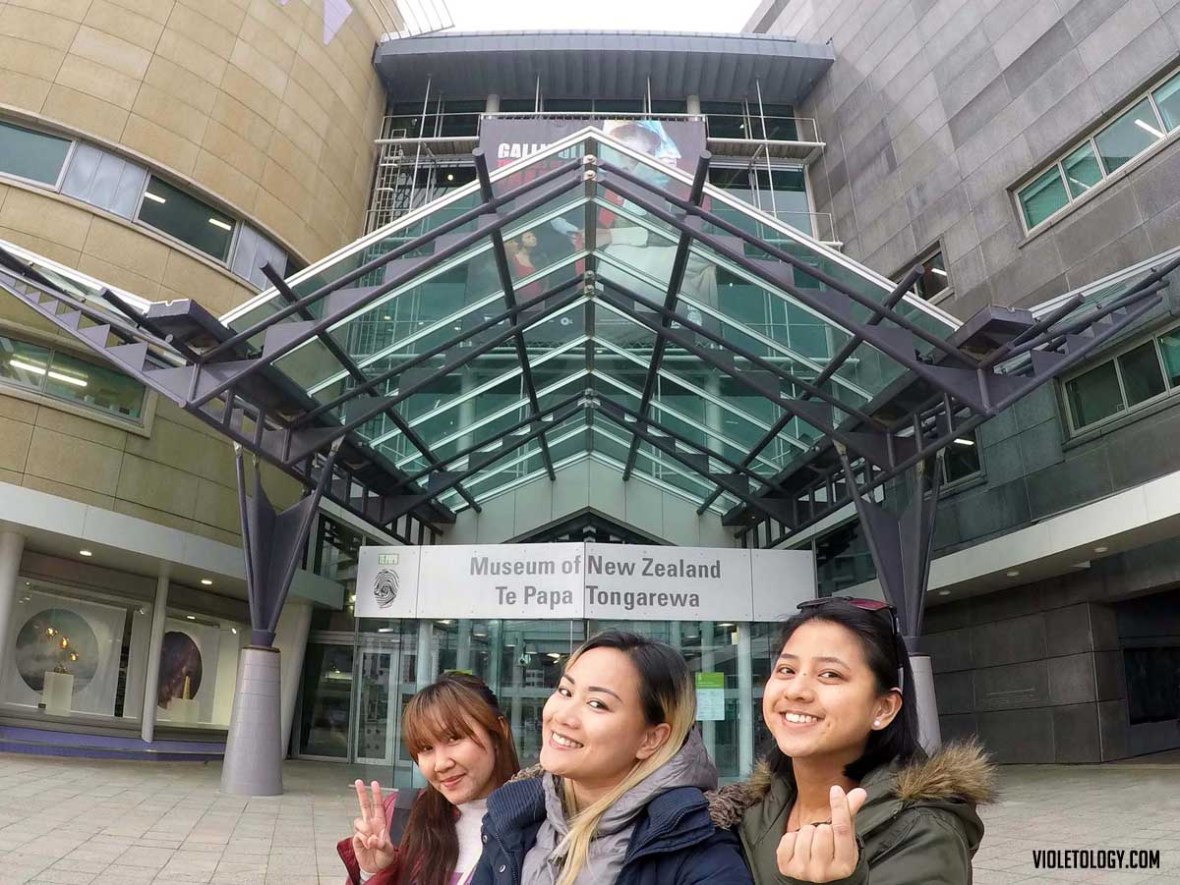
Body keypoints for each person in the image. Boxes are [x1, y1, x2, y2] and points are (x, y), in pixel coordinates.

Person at [711, 598, 996, 884]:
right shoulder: (750, 808)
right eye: (786, 670)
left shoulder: (926, 833)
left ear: (883, 708)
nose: (796, 690)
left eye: (830, 674)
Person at [472, 630, 753, 885]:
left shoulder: (695, 848)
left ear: (651, 739)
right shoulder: (513, 818)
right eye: (565, 691)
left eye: (597, 704)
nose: (564, 716)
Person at [339, 672, 521, 885]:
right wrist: (372, 873)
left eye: (454, 738)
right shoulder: (403, 814)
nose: (440, 764)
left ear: (499, 732)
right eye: (426, 748)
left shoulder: (538, 825)